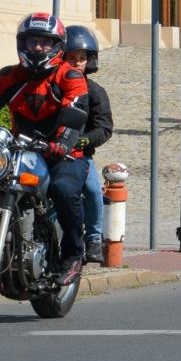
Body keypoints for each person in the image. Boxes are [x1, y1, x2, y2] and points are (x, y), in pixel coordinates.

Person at [0, 12, 92, 284]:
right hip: (20, 149)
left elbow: (76, 108)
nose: (38, 47)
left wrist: (61, 142)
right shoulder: (9, 75)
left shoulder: (70, 75)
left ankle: (73, 254)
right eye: (32, 41)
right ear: (21, 44)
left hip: (63, 154)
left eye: (45, 43)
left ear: (57, 46)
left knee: (63, 189)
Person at [62, 25, 113, 265]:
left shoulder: (95, 92)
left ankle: (93, 238)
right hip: (49, 150)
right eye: (71, 58)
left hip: (79, 154)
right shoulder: (54, 85)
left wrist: (86, 140)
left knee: (92, 189)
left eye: (81, 59)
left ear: (89, 61)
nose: (76, 63)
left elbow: (104, 128)